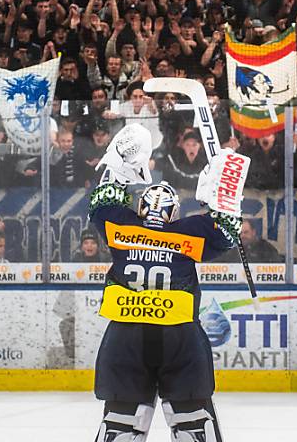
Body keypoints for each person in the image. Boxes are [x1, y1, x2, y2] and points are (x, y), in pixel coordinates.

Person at [88, 131, 242, 441]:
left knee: (121, 424)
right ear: (173, 212)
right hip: (179, 338)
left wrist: (118, 167)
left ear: (141, 208)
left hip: (125, 339)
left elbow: (101, 202)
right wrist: (224, 193)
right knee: (193, 424)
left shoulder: (122, 227)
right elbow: (228, 231)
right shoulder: (188, 233)